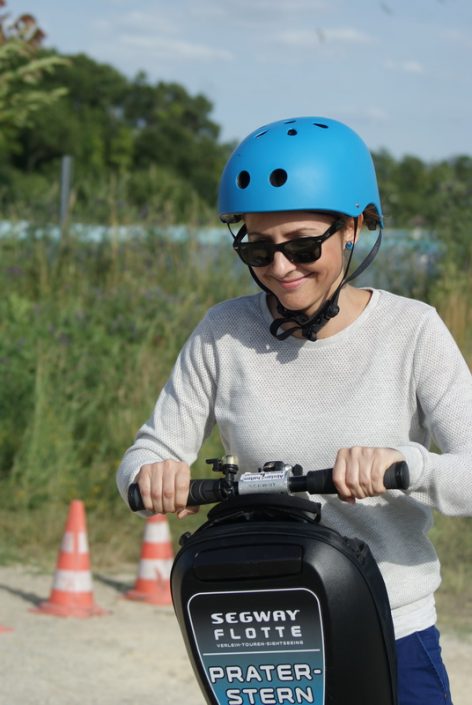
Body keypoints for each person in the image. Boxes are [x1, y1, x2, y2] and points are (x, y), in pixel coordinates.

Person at [117, 116, 471, 704]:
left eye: (303, 246)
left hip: (389, 627)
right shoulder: (223, 332)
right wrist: (151, 473)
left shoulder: (412, 331)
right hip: (267, 636)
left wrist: (407, 466)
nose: (281, 269)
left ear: (353, 227)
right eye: (257, 248)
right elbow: (149, 451)